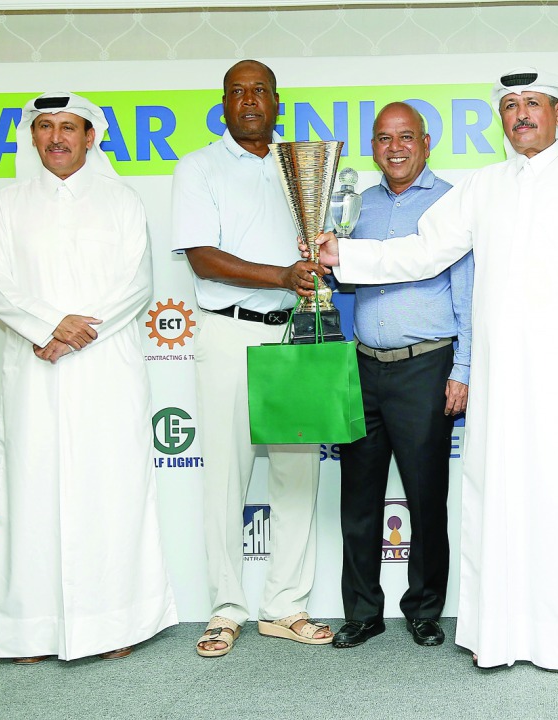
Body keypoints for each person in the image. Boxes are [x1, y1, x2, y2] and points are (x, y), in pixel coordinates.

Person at [314, 68, 558, 670]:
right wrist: (345, 254)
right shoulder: (483, 186)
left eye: (532, 105)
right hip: (502, 377)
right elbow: (422, 249)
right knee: (502, 497)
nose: (520, 116)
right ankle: (505, 635)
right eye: (510, 106)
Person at [0, 91, 178, 663]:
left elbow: (134, 284)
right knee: (30, 492)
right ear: (32, 137)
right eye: (45, 127)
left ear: (91, 137)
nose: (57, 137)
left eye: (69, 126)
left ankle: (115, 626)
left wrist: (71, 333)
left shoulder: (121, 201)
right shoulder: (5, 206)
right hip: (34, 370)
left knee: (111, 490)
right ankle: (28, 631)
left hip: (104, 368)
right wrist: (47, 327)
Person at [171, 59, 332, 657]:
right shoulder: (199, 167)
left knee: (297, 473)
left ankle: (285, 605)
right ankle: (225, 609)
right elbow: (202, 258)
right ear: (222, 103)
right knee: (227, 477)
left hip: (293, 334)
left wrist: (311, 268)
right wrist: (282, 276)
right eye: (236, 92)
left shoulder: (301, 168)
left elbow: (321, 242)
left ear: (277, 101)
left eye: (259, 91)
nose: (248, 101)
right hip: (228, 333)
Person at [329, 102, 472, 650]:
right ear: (373, 146)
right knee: (358, 500)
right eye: (385, 138)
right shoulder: (351, 208)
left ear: (426, 142)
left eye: (406, 136)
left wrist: (463, 369)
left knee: (426, 499)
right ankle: (363, 612)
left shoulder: (451, 204)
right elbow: (337, 279)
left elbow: (468, 294)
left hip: (427, 367)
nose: (395, 147)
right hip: (362, 366)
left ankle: (424, 608)